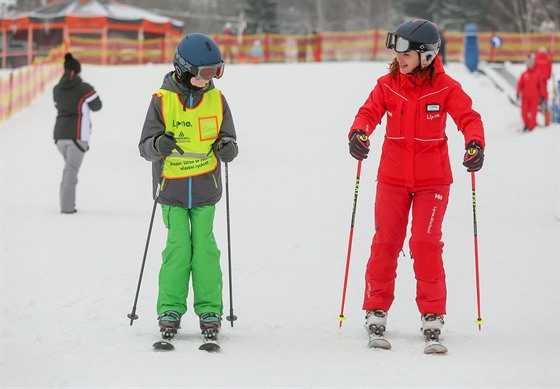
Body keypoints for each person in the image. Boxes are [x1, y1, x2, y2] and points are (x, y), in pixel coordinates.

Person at [347, 19, 485, 351]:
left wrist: (475, 144)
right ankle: (376, 308)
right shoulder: (387, 85)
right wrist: (358, 132)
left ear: (426, 55)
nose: (398, 55)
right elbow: (367, 113)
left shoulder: (446, 87)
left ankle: (433, 315)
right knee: (386, 242)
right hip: (392, 179)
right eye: (395, 49)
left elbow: (469, 118)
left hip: (433, 181)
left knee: (425, 242)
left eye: (406, 50)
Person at [138, 33, 238, 342]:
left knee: (205, 249)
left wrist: (227, 147)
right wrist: (159, 143)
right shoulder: (161, 100)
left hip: (206, 187)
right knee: (178, 248)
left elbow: (227, 135)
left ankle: (210, 309)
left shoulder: (217, 98)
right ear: (184, 69)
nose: (212, 79)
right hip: (172, 190)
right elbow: (145, 147)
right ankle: (170, 308)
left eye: (217, 71)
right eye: (207, 72)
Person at [53, 52, 102, 214]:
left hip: (59, 137)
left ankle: (65, 203)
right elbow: (97, 105)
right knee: (71, 171)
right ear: (78, 71)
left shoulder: (57, 89)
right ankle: (67, 208)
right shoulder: (84, 88)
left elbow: (58, 105)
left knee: (69, 170)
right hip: (78, 136)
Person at [516, 54, 547, 131]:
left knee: (533, 114)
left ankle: (532, 127)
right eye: (529, 63)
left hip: (535, 98)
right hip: (525, 98)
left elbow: (541, 86)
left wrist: (543, 95)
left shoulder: (538, 74)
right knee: (523, 113)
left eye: (531, 63)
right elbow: (520, 85)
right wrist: (518, 93)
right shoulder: (524, 74)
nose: (530, 65)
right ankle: (527, 124)